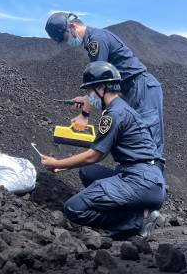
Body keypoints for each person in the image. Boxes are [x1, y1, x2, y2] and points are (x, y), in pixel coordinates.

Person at [40, 61, 164, 237]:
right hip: (148, 179)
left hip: (140, 181)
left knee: (73, 209)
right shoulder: (121, 108)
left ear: (102, 88)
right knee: (88, 172)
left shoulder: (114, 115)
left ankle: (136, 219)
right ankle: (139, 209)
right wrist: (63, 166)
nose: (88, 96)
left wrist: (56, 163)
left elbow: (94, 156)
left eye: (89, 91)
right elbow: (95, 158)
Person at [45, 12, 165, 160]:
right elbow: (99, 84)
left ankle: (151, 178)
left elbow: (98, 81)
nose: (67, 42)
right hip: (128, 89)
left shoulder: (96, 40)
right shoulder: (93, 40)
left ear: (72, 26)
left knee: (148, 134)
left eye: (65, 38)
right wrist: (85, 98)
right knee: (134, 134)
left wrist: (84, 115)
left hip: (141, 87)